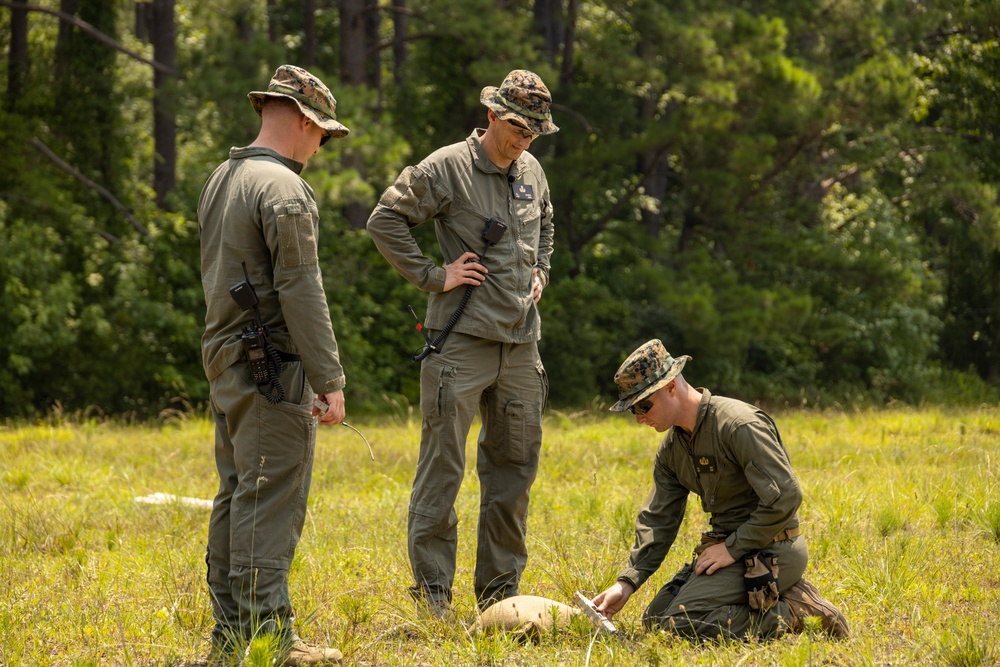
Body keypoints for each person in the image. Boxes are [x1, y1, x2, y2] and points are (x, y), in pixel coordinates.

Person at [366, 70, 558, 616]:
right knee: (442, 469)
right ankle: (433, 599)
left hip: (521, 345)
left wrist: (542, 269)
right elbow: (385, 221)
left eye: (536, 131)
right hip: (461, 344)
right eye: (519, 127)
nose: (526, 139)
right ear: (492, 114)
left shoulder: (533, 169)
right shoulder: (446, 166)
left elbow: (545, 222)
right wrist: (434, 275)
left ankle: (501, 598)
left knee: (514, 470)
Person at [198, 64, 350, 665]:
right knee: (270, 496)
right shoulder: (284, 190)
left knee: (236, 492)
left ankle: (230, 635)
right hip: (271, 366)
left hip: (226, 357)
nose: (321, 146)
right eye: (322, 133)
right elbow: (301, 289)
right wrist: (330, 378)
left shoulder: (222, 177)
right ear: (304, 121)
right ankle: (267, 640)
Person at [592, 339, 849, 640]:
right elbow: (659, 520)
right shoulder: (672, 449)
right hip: (729, 551)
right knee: (655, 620)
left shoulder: (738, 425)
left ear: (671, 386)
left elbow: (786, 496)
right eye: (632, 410)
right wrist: (628, 582)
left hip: (773, 547)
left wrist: (731, 548)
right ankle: (772, 596)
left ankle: (798, 611)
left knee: (678, 624)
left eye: (643, 405)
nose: (639, 418)